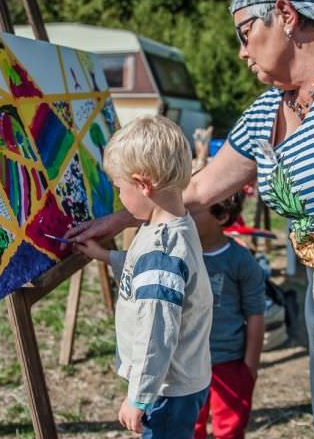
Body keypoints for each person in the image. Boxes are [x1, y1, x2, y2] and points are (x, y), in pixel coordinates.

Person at [66, 0, 314, 437]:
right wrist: (121, 218)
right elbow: (192, 192)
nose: (239, 52)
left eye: (245, 33)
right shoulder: (267, 112)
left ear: (286, 14)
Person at [75, 115, 213, 438]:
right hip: (179, 380)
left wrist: (139, 397)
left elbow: (156, 333)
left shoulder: (161, 252)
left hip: (165, 389)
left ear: (142, 184)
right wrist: (108, 256)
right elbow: (154, 277)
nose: (120, 199)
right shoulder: (173, 225)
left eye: (120, 189)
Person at [192, 192, 265, 439]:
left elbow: (255, 314)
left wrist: (249, 368)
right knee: (189, 428)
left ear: (221, 216)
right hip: (186, 363)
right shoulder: (178, 255)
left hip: (229, 361)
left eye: (193, 211)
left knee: (230, 430)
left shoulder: (240, 260)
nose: (183, 216)